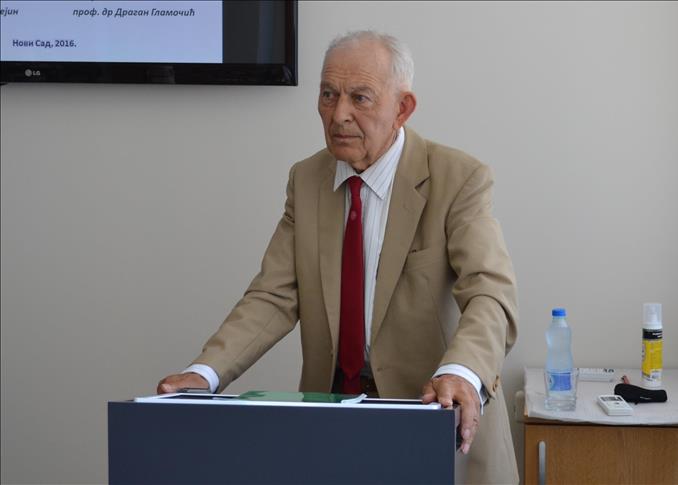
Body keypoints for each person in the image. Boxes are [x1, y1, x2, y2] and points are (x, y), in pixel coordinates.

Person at [157, 30, 519, 484]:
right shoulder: (307, 179)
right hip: (333, 427)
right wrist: (204, 374)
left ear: (402, 108)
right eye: (328, 94)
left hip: (438, 425)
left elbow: (490, 293)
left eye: (359, 98)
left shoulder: (458, 178)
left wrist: (461, 373)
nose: (339, 113)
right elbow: (273, 295)